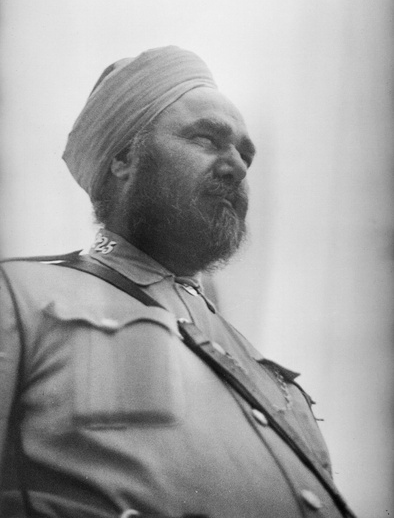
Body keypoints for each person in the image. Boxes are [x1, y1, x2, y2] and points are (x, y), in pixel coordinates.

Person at [0, 46, 356, 518]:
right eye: (207, 140)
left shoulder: (269, 378)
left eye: (245, 154)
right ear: (124, 158)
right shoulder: (21, 297)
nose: (237, 166)